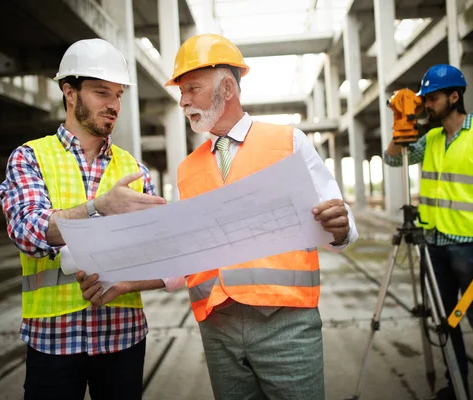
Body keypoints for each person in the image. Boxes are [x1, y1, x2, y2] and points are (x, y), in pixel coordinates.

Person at [79, 33, 359, 400]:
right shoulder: (187, 169)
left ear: (227, 88)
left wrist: (339, 227)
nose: (183, 101)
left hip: (285, 323)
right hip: (217, 328)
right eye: (181, 92)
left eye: (192, 88)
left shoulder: (288, 143)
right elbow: (185, 258)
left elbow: (342, 226)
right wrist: (124, 281)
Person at [0, 38, 166, 400]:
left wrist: (128, 278)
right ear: (69, 92)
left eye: (118, 94)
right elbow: (28, 231)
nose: (114, 105)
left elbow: (160, 253)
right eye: (102, 92)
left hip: (123, 336)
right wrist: (98, 208)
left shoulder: (133, 169)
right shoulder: (30, 157)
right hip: (53, 340)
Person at [383, 64, 473, 400]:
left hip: (470, 248)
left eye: (433, 98)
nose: (427, 104)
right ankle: (457, 386)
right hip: (434, 244)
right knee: (445, 323)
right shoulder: (431, 139)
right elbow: (393, 160)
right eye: (425, 99)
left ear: (455, 96)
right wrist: (403, 122)